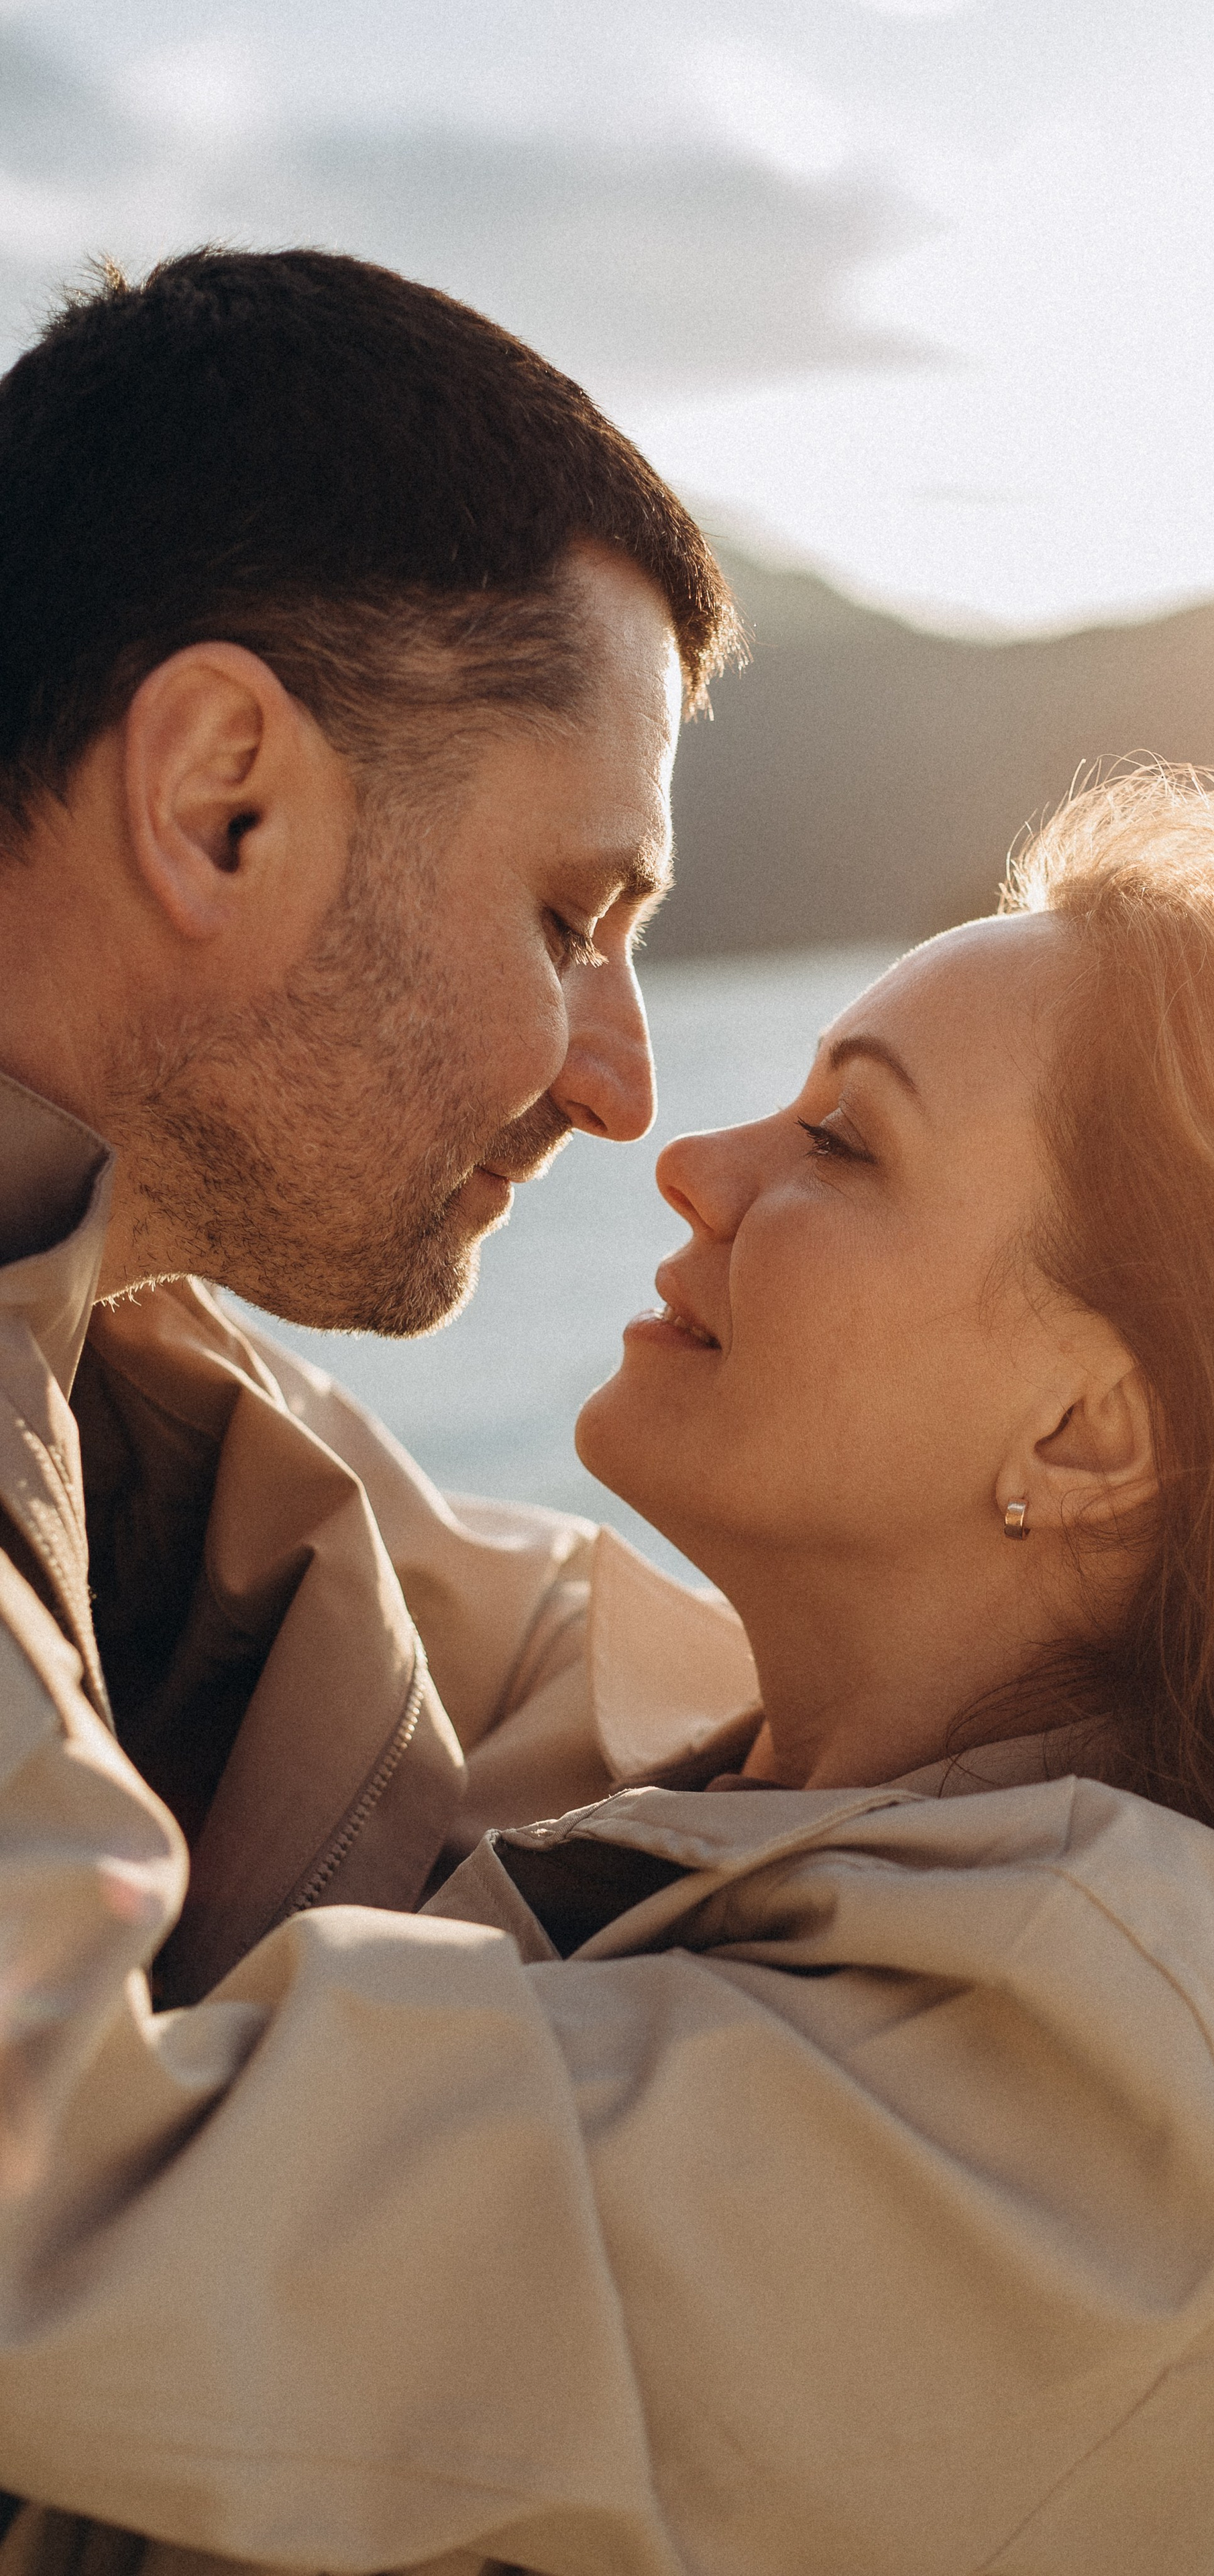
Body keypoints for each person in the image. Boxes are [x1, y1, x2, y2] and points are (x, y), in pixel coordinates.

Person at [1, 769, 1214, 2576]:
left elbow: (68, 2191)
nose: (694, 1163)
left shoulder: (1079, 2113)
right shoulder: (766, 1763)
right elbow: (231, 1470)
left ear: (1089, 1431)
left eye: (844, 1142)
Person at [0, 246, 762, 2019]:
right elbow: (87, 2176)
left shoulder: (129, 1359)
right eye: (568, 921)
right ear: (222, 805)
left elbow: (551, 1651)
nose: (624, 1092)